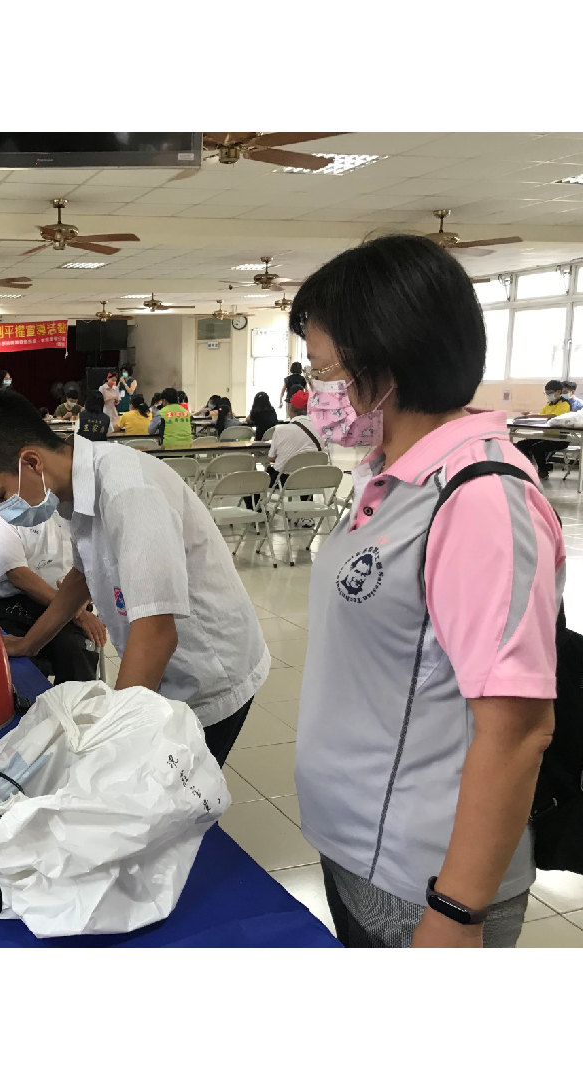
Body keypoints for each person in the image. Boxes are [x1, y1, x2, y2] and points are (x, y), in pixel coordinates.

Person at [291, 233, 563, 948]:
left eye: (325, 372)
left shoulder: (478, 498)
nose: (319, 395)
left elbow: (517, 729)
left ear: (385, 364)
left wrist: (457, 911)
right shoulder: (390, 475)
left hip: (422, 878)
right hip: (356, 845)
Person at [0, 392, 269, 767]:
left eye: (1, 496)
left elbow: (157, 634)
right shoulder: (73, 487)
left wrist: (111, 737)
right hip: (163, 660)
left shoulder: (129, 492)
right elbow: (83, 573)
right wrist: (29, 644)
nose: (4, 510)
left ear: (31, 462)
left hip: (208, 669)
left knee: (176, 789)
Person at [0, 507, 106, 685]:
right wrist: (77, 613)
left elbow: (93, 571)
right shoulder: (6, 513)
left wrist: (82, 601)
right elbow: (18, 575)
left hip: (72, 606)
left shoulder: (79, 512)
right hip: (17, 605)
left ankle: (75, 702)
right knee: (19, 667)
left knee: (76, 654)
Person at [515, 379, 572, 480]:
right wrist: (530, 414)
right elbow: (541, 416)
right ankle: (529, 468)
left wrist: (533, 415)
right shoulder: (548, 404)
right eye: (546, 393)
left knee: (537, 447)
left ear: (558, 392)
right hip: (547, 436)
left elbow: (555, 416)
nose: (548, 395)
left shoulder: (564, 404)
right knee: (521, 444)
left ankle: (543, 471)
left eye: (550, 393)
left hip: (561, 439)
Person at [266, 389, 324, 487]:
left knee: (257, 483)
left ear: (291, 408)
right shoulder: (320, 429)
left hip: (284, 481)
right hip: (310, 480)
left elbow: (271, 458)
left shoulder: (280, 430)